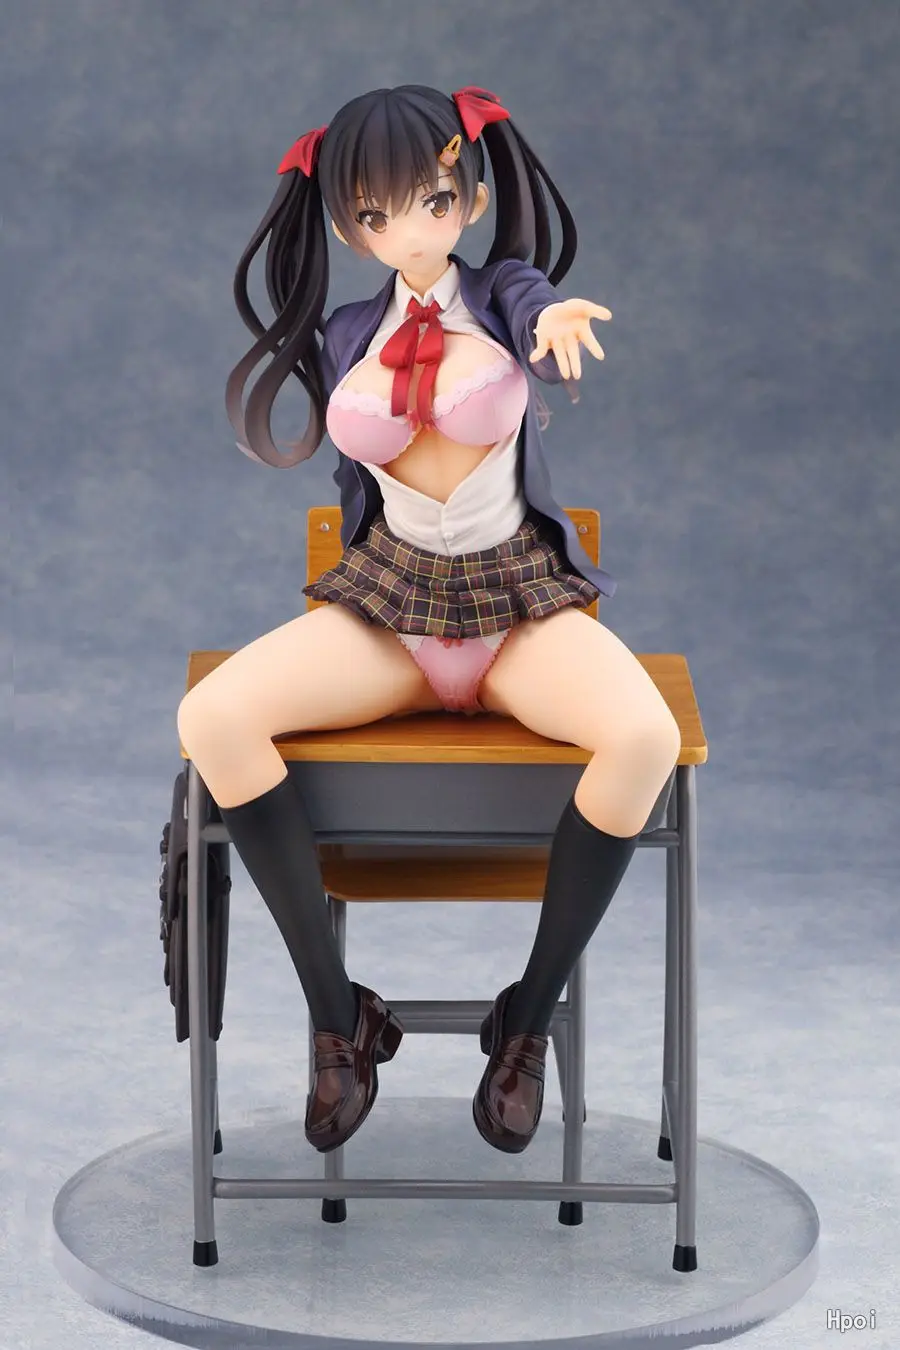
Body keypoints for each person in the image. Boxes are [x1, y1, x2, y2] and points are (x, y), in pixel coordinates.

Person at [177, 84, 681, 1160]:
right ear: (347, 226)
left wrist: (552, 320)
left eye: (435, 200)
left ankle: (526, 1019)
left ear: (472, 196)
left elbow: (533, 302)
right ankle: (338, 1017)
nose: (409, 229)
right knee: (212, 719)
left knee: (645, 737)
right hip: (392, 609)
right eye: (375, 212)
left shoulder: (499, 292)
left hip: (515, 609)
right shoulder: (346, 333)